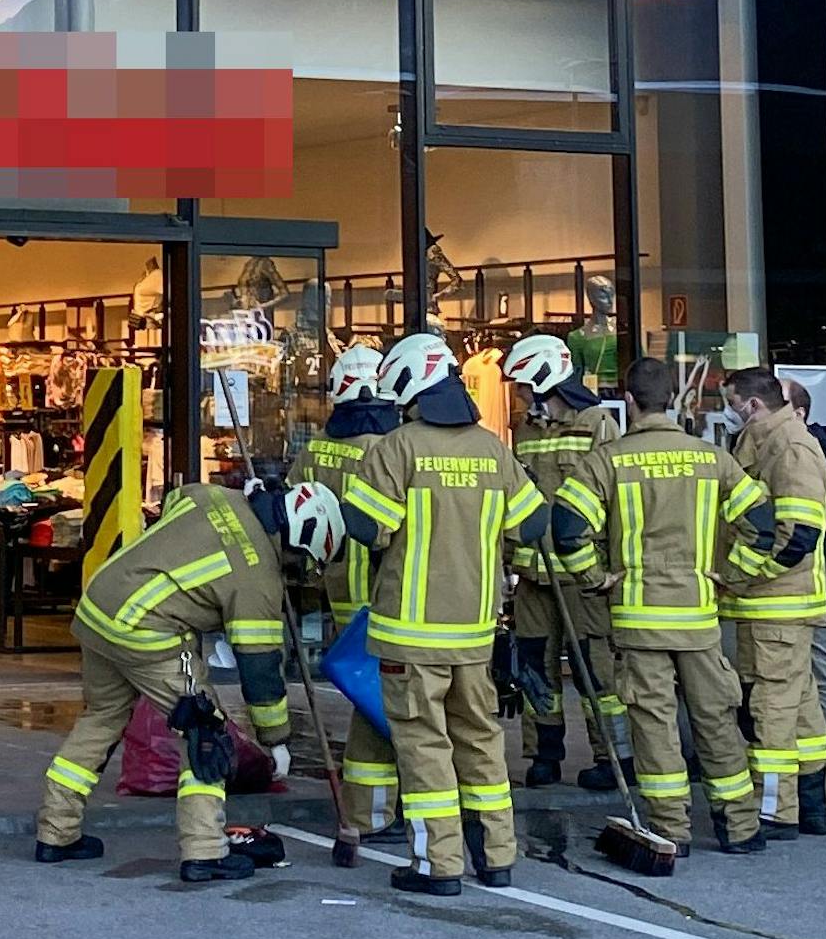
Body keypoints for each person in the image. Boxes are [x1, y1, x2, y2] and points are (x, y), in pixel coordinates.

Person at [35, 477, 345, 884]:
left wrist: (250, 492)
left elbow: (176, 499)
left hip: (98, 608)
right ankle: (205, 851)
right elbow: (259, 666)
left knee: (101, 719)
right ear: (299, 543)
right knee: (206, 734)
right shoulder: (257, 577)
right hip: (148, 630)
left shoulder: (216, 496)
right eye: (303, 564)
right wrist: (276, 740)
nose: (297, 574)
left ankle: (56, 832)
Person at [343, 333, 547, 898]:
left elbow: (366, 528)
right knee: (480, 740)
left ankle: (438, 863)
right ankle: (496, 854)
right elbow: (532, 525)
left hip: (410, 636)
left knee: (424, 748)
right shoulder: (492, 449)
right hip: (475, 632)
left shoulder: (398, 448)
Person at [552, 355, 774, 857]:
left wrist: (595, 579)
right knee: (715, 717)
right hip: (698, 616)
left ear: (628, 401)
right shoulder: (712, 458)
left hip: (637, 618)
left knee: (652, 723)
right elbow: (762, 525)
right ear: (674, 398)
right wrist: (732, 577)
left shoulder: (607, 460)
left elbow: (567, 528)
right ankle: (739, 826)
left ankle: (670, 828)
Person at [504, 333, 631, 791]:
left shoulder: (597, 423)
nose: (517, 393)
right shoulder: (524, 429)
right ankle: (544, 754)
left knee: (595, 669)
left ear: (543, 378)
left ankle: (615, 756)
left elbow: (615, 499)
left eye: (521, 383)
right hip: (534, 573)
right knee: (535, 668)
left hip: (584, 576)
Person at [289, 341, 403, 844]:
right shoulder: (391, 449)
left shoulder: (316, 450)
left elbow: (295, 512)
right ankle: (391, 806)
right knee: (387, 702)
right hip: (386, 594)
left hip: (336, 586)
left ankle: (370, 806)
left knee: (365, 697)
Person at [722, 367, 826, 838]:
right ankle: (813, 805)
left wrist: (743, 577)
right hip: (778, 608)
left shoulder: (789, 447)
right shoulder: (771, 440)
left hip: (776, 607)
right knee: (801, 711)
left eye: (731, 402)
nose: (727, 412)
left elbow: (797, 537)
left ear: (752, 404)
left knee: (769, 710)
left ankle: (774, 811)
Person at [786, 381, 826, 754]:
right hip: (819, 579)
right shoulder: (815, 452)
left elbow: (815, 532)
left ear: (799, 413)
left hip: (818, 582)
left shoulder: (812, 455)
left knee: (819, 674)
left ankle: (825, 757)